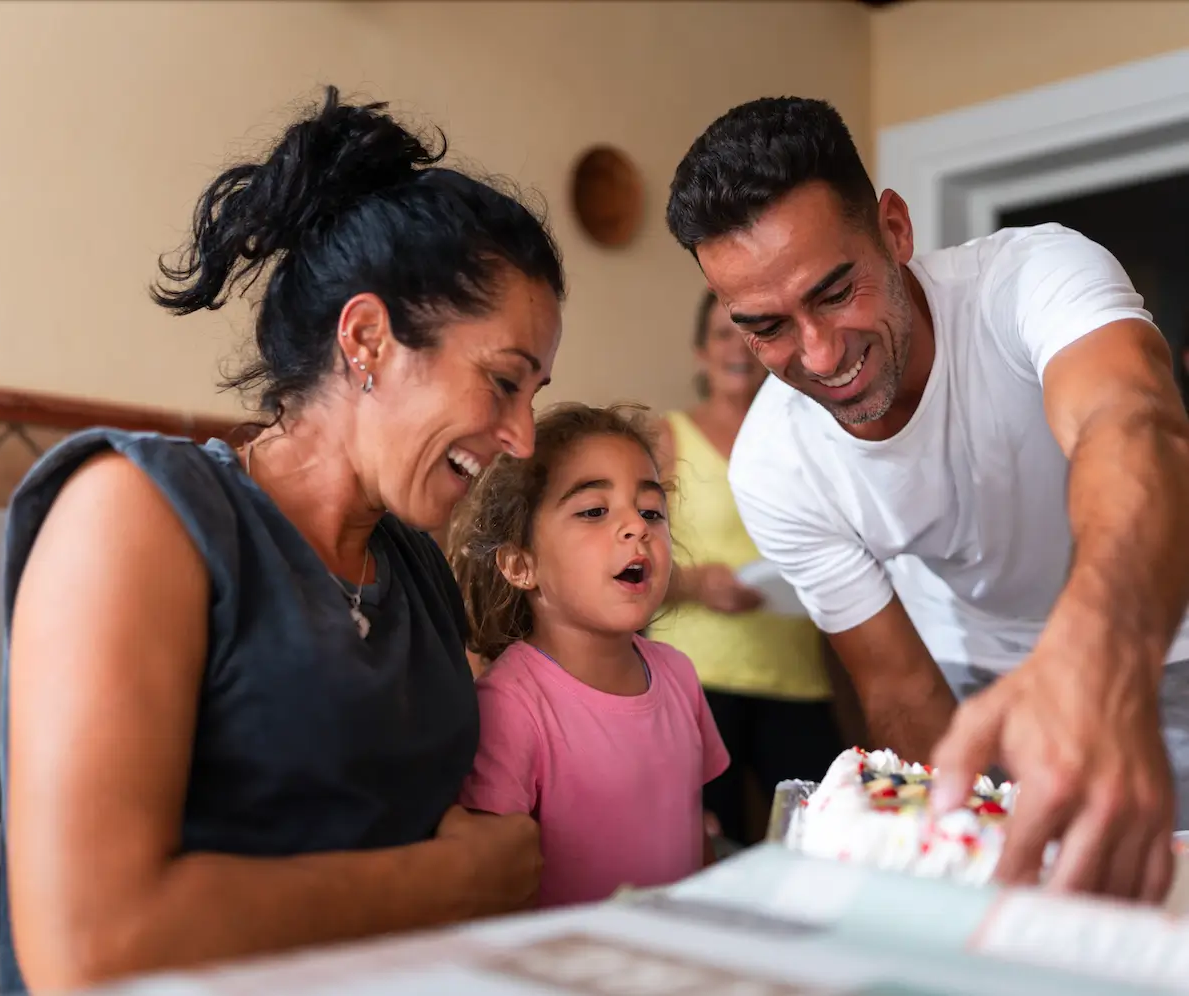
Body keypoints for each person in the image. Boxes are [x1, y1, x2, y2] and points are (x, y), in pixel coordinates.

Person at [0, 88, 565, 994]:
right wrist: (449, 882)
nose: (522, 437)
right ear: (368, 339)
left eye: (534, 393)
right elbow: (90, 949)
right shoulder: (138, 515)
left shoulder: (413, 564)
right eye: (504, 381)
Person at [665, 96, 1189, 901]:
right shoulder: (775, 465)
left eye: (836, 291)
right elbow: (901, 691)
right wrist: (959, 843)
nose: (821, 353)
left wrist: (1101, 658)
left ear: (895, 230)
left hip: (1160, 639)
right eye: (765, 327)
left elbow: (1132, 424)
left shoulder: (1035, 276)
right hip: (973, 676)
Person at [451, 403, 729, 906]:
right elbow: (489, 882)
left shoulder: (678, 675)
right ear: (520, 564)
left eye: (650, 511)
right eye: (594, 511)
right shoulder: (510, 706)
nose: (636, 528)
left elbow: (696, 840)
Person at [649, 291, 842, 846]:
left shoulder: (811, 436)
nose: (736, 348)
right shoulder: (666, 440)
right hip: (698, 684)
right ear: (698, 352)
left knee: (825, 838)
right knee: (707, 848)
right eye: (721, 334)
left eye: (748, 333)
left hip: (798, 674)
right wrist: (694, 582)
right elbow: (625, 561)